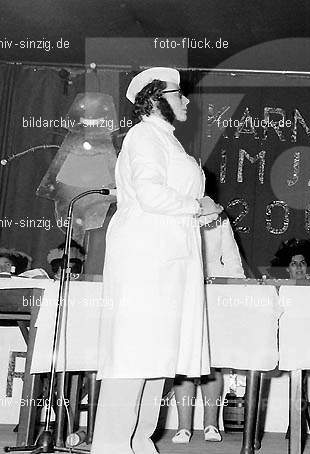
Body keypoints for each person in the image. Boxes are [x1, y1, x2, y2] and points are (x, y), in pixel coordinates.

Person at [91, 67, 222, 454]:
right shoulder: (143, 135)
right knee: (133, 353)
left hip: (170, 258)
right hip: (145, 258)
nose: (186, 100)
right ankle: (112, 445)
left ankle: (139, 441)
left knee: (156, 355)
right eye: (178, 94)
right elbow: (149, 194)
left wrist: (195, 210)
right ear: (154, 100)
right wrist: (197, 205)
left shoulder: (168, 141)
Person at [171, 213, 245, 444]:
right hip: (181, 288)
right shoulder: (173, 214)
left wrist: (236, 293)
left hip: (214, 291)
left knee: (211, 361)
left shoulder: (219, 218)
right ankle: (183, 428)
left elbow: (232, 259)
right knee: (183, 359)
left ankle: (211, 424)